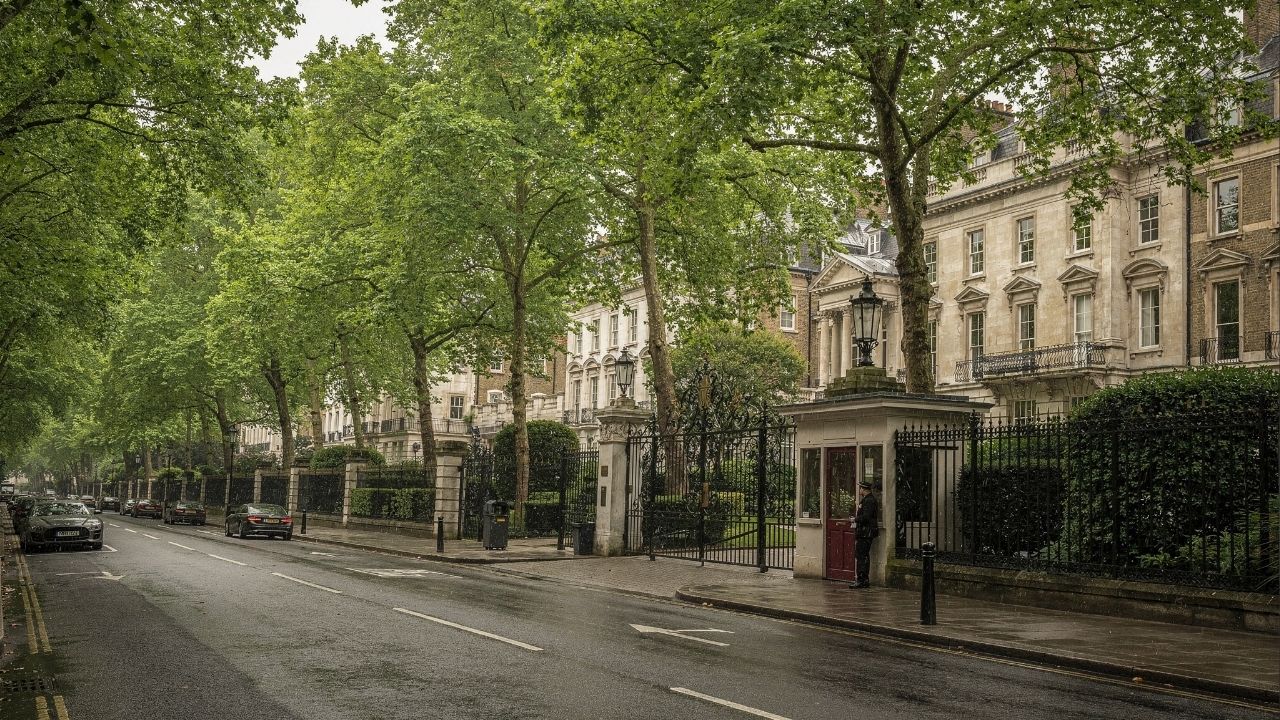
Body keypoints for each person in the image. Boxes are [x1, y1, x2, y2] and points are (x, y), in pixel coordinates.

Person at [850, 479, 880, 589]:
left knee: (862, 556)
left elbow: (866, 517)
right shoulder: (867, 500)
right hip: (864, 532)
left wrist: (855, 519)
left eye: (861, 488)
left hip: (866, 533)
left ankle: (862, 579)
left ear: (864, 489)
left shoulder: (869, 501)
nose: (859, 490)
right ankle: (862, 579)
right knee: (862, 555)